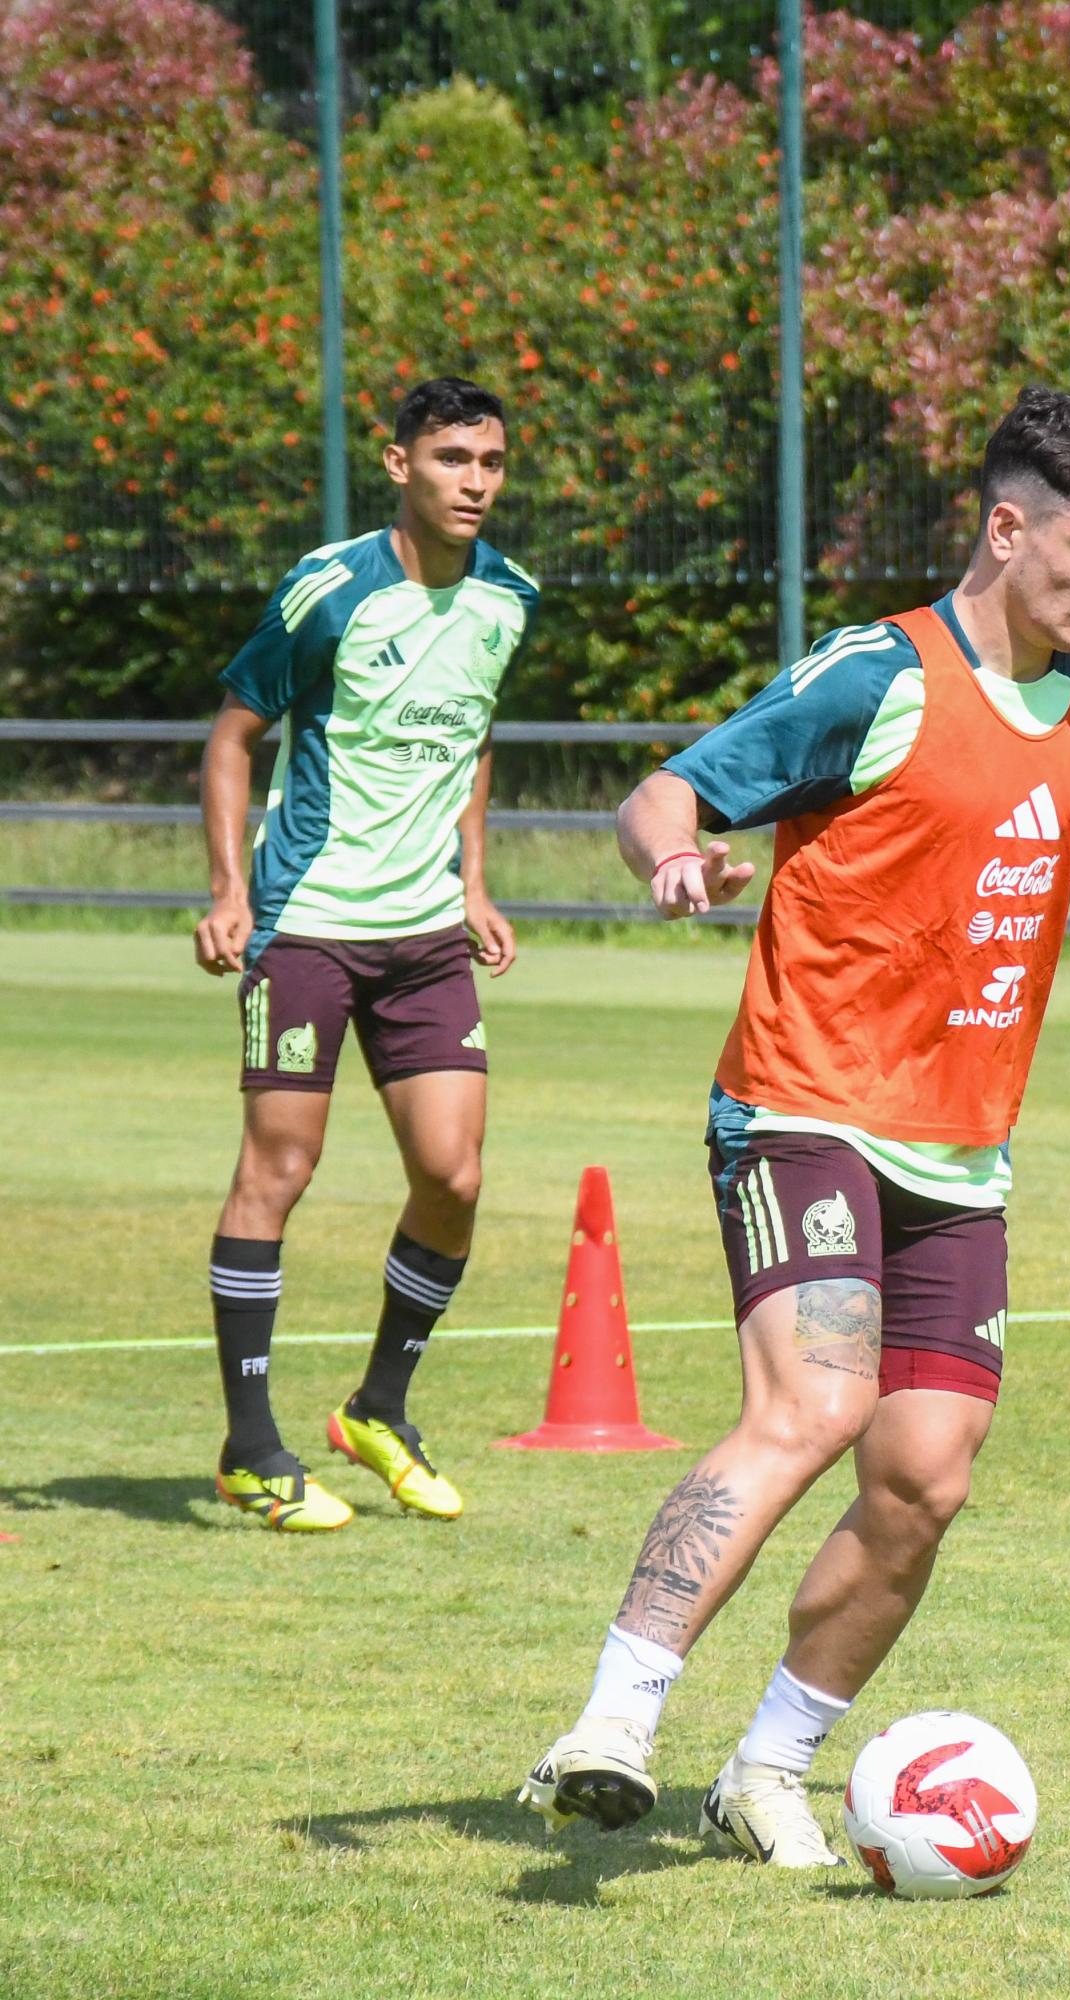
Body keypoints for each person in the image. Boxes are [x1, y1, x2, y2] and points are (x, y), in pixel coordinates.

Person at [520, 387, 1070, 1862]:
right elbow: (665, 792)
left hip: (961, 1151)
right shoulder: (876, 677)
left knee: (925, 1474)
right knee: (814, 1405)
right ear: (1007, 530)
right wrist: (676, 861)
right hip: (803, 1107)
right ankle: (614, 1717)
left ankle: (765, 1773)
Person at [193, 376, 537, 1532]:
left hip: (428, 934)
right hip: (309, 927)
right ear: (399, 466)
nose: (475, 481)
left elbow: (475, 733)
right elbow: (234, 737)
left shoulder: (510, 598)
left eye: (489, 460)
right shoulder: (330, 590)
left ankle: (377, 1407)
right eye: (451, 459)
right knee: (279, 1169)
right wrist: (232, 891)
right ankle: (251, 1447)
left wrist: (474, 879)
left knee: (454, 1174)